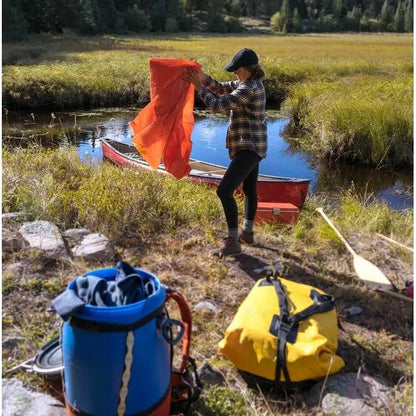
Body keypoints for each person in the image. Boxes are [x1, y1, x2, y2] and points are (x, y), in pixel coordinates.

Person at [185, 48, 267, 257]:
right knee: (249, 190)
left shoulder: (249, 88)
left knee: (224, 191)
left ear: (244, 69)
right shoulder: (245, 83)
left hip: (249, 147)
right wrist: (203, 77)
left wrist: (198, 88)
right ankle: (247, 233)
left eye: (236, 70)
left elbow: (218, 104)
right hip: (252, 145)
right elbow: (221, 88)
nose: (233, 74)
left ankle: (233, 242)